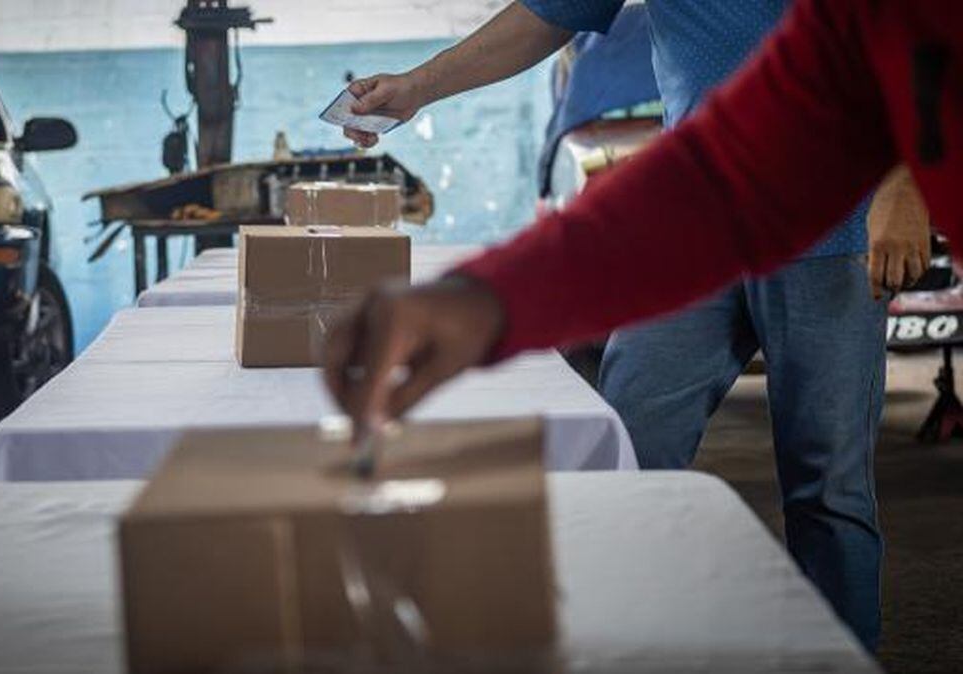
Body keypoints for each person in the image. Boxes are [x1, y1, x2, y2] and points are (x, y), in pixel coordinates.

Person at [326, 0, 956, 651]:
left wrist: (901, 183)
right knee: (624, 445)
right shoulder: (778, 104)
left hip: (836, 236)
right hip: (711, 227)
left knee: (829, 488)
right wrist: (484, 299)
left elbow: (902, 33)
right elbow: (723, 155)